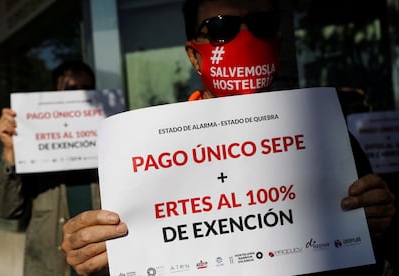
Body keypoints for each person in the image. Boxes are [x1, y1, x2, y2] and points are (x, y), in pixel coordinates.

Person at [61, 1, 396, 275]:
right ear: (193, 55)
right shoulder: (143, 153)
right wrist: (97, 258)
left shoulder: (331, 140)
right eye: (222, 28)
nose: (246, 40)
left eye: (262, 24)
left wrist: (381, 228)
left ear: (278, 44)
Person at [0, 60, 101, 276]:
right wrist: (11, 152)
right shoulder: (33, 151)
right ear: (55, 95)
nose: (79, 96)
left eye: (86, 90)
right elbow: (7, 210)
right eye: (71, 90)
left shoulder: (111, 147)